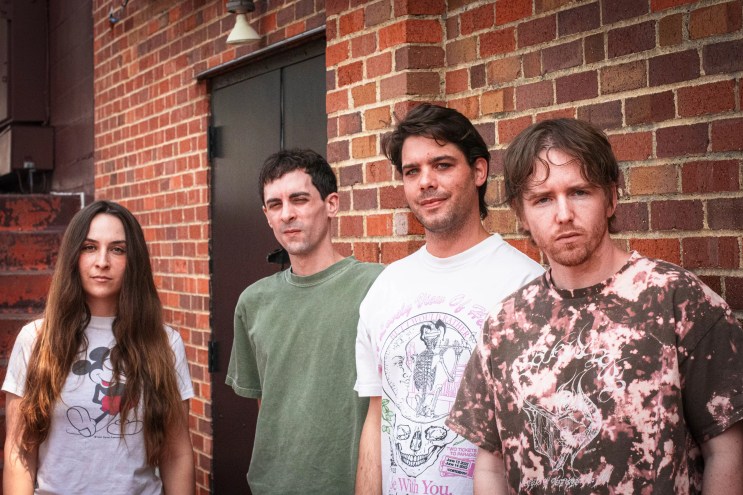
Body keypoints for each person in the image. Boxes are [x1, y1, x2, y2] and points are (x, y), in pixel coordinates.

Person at [447, 118, 743, 493]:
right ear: (521, 215)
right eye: (542, 199)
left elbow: (727, 450)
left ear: (611, 198)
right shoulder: (505, 324)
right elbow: (491, 467)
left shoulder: (677, 300)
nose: (563, 214)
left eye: (580, 192)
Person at [355, 104, 544, 494]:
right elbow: (377, 418)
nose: (425, 182)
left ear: (479, 171)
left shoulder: (528, 285)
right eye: (412, 171)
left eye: (442, 165)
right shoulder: (385, 288)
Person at [3, 200, 195, 494]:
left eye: (117, 249)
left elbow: (177, 454)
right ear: (73, 255)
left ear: (134, 260)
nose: (102, 261)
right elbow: (19, 452)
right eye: (89, 247)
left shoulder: (164, 343)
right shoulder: (36, 339)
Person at [226, 149, 384, 494]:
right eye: (275, 204)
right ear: (267, 216)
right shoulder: (253, 302)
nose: (287, 214)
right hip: (272, 486)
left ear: (331, 204)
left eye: (299, 199)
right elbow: (268, 401)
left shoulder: (378, 286)